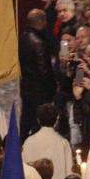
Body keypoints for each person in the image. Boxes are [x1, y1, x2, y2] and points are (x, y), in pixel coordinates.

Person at [18, 9, 56, 140]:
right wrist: (52, 89)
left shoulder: (23, 38)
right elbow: (44, 70)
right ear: (41, 22)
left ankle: (22, 146)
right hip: (40, 91)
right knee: (37, 125)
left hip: (26, 88)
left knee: (26, 120)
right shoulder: (39, 43)